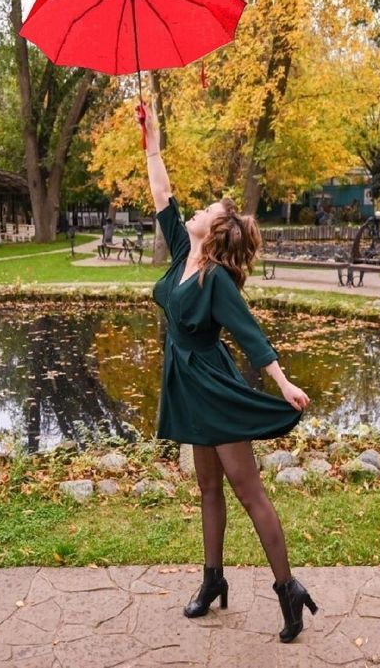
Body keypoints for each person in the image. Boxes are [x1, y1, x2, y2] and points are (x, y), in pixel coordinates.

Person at [139, 102, 318, 643]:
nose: (195, 211)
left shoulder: (215, 278)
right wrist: (152, 142)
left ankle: (288, 589)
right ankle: (212, 582)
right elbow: (162, 194)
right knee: (207, 489)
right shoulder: (180, 255)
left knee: (248, 490)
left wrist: (283, 382)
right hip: (186, 387)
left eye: (207, 210)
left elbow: (248, 334)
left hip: (213, 387)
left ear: (214, 231)